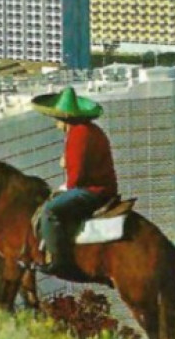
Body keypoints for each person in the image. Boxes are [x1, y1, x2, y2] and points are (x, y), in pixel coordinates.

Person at [30, 86, 118, 277]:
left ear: (65, 118)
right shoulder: (91, 130)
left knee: (49, 211)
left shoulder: (78, 135)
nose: (55, 123)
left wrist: (65, 186)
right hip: (102, 186)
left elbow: (75, 176)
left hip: (94, 191)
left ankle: (60, 261)